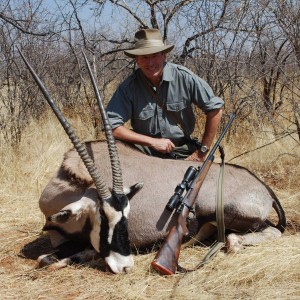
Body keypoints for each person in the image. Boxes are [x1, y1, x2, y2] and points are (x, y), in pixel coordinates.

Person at [107, 28, 224, 161]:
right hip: (144, 152)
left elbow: (215, 110)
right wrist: (152, 142)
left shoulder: (184, 77)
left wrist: (201, 153)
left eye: (155, 55)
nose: (150, 63)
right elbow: (112, 127)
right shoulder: (128, 87)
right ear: (137, 60)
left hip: (180, 151)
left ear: (164, 55)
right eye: (145, 57)